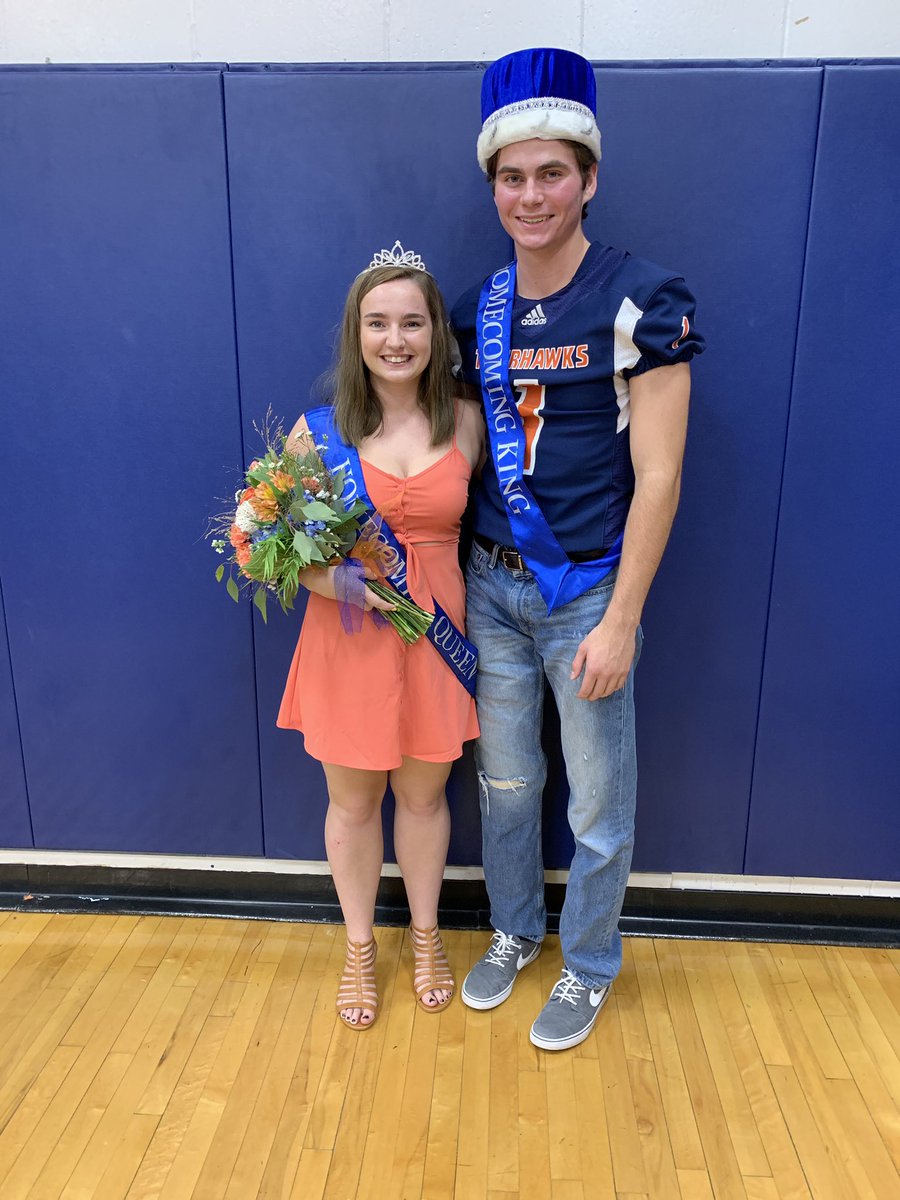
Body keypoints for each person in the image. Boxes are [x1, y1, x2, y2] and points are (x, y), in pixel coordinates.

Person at [451, 48, 705, 1050]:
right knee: (506, 787)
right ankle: (515, 932)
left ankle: (591, 962)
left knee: (599, 799)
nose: (531, 193)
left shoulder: (642, 298)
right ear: (494, 188)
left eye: (551, 171)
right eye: (512, 176)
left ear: (589, 178)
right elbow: (468, 452)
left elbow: (662, 477)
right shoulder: (479, 309)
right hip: (489, 586)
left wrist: (624, 618)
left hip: (586, 594)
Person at [277, 247, 484, 1029]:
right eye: (377, 323)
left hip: (436, 635)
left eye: (411, 321)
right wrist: (330, 581)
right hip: (350, 637)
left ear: (435, 331)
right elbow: (273, 549)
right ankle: (360, 947)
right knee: (353, 804)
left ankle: (426, 940)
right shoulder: (317, 432)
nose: (395, 339)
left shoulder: (464, 420)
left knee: (425, 799)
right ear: (355, 334)